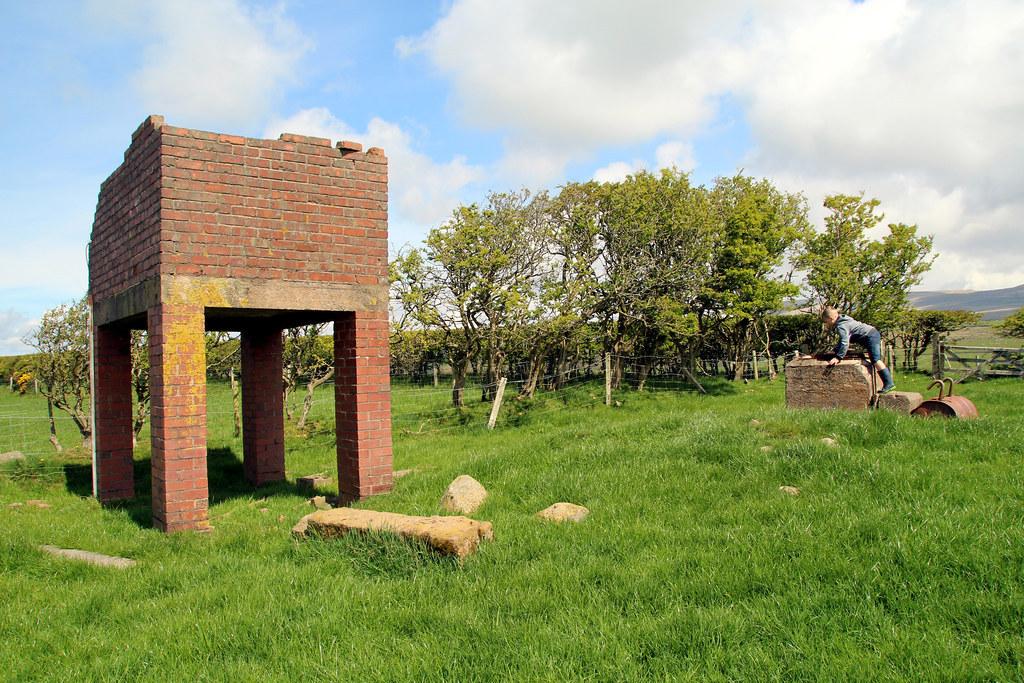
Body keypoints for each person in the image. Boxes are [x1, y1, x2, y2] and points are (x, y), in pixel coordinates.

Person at [821, 306, 896, 393]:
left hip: (870, 336)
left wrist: (838, 357)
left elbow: (845, 343)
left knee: (875, 360)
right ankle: (888, 383)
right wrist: (835, 350)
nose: (827, 324)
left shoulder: (841, 326)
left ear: (831, 318)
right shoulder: (844, 319)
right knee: (874, 359)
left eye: (827, 321)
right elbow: (842, 339)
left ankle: (889, 383)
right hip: (872, 333)